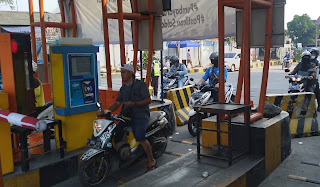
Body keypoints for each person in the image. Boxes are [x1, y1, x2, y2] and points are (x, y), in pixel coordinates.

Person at [104, 64, 156, 172]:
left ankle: (151, 161)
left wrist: (135, 104)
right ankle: (125, 153)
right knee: (116, 134)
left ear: (130, 73)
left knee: (140, 137)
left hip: (140, 115)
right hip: (127, 116)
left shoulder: (140, 85)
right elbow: (117, 103)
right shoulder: (123, 88)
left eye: (124, 72)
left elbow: (148, 100)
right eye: (121, 72)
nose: (121, 75)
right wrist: (106, 110)